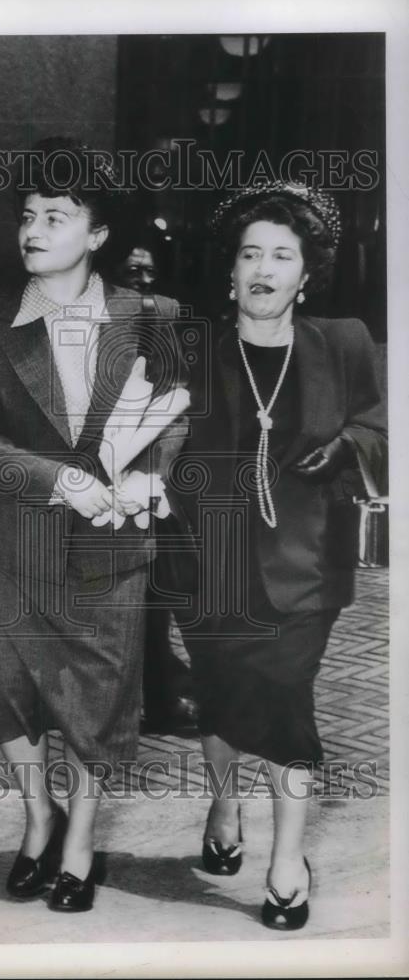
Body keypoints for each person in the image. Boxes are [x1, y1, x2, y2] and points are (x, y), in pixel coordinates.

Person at [0, 138, 189, 912]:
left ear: (98, 234)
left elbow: (175, 414)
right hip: (22, 538)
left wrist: (150, 477)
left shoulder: (154, 315)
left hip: (114, 546)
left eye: (56, 215)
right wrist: (59, 480)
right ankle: (35, 816)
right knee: (7, 695)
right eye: (26, 215)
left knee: (97, 701)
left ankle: (78, 842)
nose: (33, 230)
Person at [175, 181, 387, 929]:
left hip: (305, 566)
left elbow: (382, 427)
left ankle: (285, 861)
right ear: (229, 271)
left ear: (306, 272)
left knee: (284, 701)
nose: (262, 270)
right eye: (248, 255)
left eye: (281, 256)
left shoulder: (348, 341)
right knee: (218, 691)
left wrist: (347, 446)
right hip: (208, 565)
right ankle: (224, 802)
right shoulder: (191, 347)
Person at [106, 221, 198, 736]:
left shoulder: (163, 315)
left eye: (150, 272)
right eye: (132, 270)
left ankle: (161, 700)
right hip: (88, 479)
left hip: (147, 482)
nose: (142, 280)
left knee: (154, 599)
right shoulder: (89, 314)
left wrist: (153, 473)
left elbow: (176, 401)